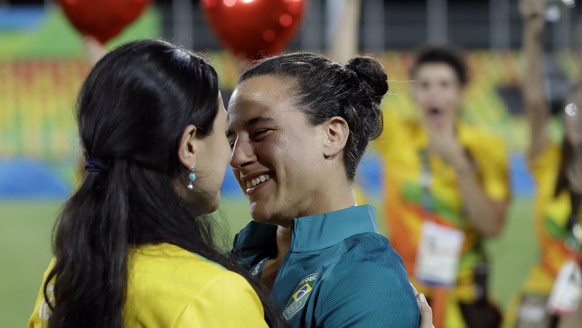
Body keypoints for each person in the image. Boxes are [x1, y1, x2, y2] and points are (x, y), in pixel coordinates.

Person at [28, 39, 284, 328]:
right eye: (225, 134)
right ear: (189, 146)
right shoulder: (212, 294)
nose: (234, 155)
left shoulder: (64, 276)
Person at [227, 52, 421, 327]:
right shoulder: (246, 253)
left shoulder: (367, 284)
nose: (236, 158)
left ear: (333, 135)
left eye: (260, 133)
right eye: (232, 140)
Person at [373, 45, 511, 327]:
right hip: (405, 290)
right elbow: (344, 89)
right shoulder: (398, 136)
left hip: (465, 294)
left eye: (444, 84)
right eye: (424, 85)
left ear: (462, 92)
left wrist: (459, 162)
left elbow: (491, 227)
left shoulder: (486, 146)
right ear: (414, 94)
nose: (434, 93)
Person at [509, 1, 582, 327]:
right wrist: (533, 31)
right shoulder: (549, 160)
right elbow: (534, 100)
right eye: (573, 109)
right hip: (544, 289)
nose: (579, 119)